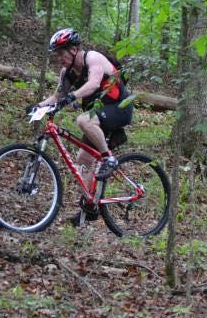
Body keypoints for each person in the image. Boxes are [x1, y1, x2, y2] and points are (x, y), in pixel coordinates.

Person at [34, 28, 133, 220]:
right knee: (84, 161)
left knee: (82, 119)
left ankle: (108, 159)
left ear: (73, 50)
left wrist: (71, 97)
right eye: (57, 55)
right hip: (97, 116)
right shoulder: (67, 73)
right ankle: (88, 209)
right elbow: (57, 96)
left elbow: (94, 83)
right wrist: (37, 106)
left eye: (61, 53)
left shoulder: (93, 58)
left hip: (119, 107)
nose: (59, 58)